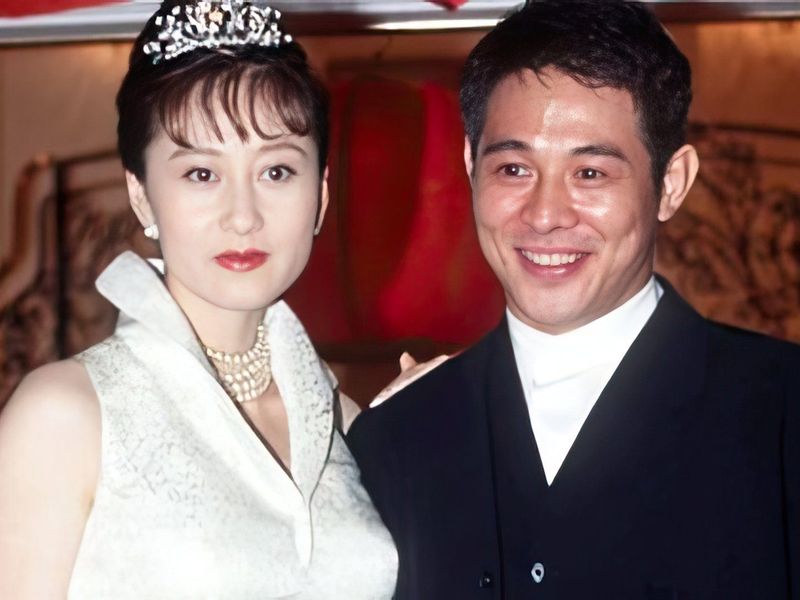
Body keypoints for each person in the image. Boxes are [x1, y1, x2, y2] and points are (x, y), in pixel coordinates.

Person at [346, 1, 800, 598]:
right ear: (470, 165)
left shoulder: (781, 414)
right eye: (514, 169)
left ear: (671, 183)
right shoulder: (396, 438)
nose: (545, 215)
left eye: (590, 174)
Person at [0, 1, 397, 597]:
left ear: (320, 196)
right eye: (202, 174)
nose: (243, 216)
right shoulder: (65, 414)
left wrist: (418, 429)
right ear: (141, 196)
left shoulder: (344, 423)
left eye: (277, 172)